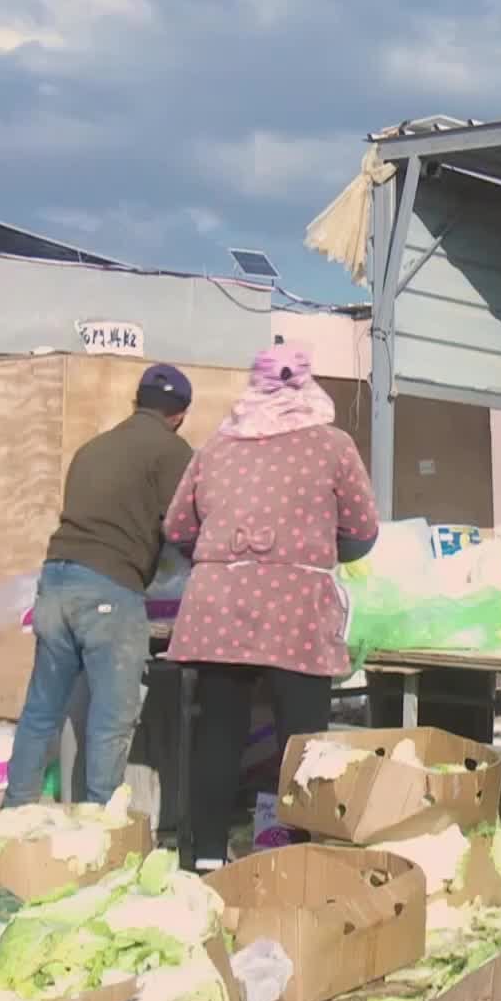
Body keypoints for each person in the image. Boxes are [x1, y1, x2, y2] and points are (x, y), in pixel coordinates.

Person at [163, 345, 379, 870]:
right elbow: (363, 529)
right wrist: (319, 548)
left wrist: (224, 560)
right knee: (301, 743)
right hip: (297, 608)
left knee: (218, 731)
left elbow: (176, 529)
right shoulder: (332, 446)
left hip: (219, 609)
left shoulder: (216, 448)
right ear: (307, 385)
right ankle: (300, 862)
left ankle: (207, 857)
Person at [3, 365, 194, 809]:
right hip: (109, 589)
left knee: (40, 712)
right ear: (181, 414)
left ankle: (14, 815)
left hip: (55, 581)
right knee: (112, 717)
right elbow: (182, 527)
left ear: (136, 402)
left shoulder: (92, 448)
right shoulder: (171, 450)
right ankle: (99, 828)